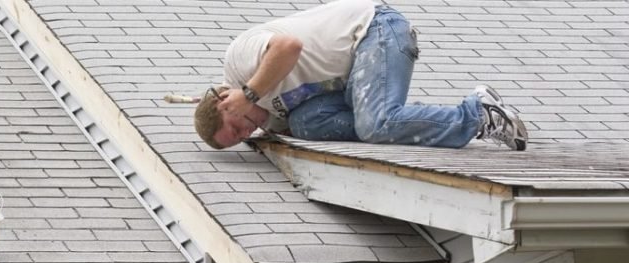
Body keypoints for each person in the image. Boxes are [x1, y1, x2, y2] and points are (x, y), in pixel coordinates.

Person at [193, 0, 528, 151]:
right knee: (306, 126)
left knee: (375, 124)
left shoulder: (239, 64)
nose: (247, 131)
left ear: (225, 101)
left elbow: (288, 46)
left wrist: (248, 93)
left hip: (374, 31)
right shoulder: (271, 120)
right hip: (355, 75)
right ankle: (394, 117)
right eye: (241, 139)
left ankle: (479, 114)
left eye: (236, 126)